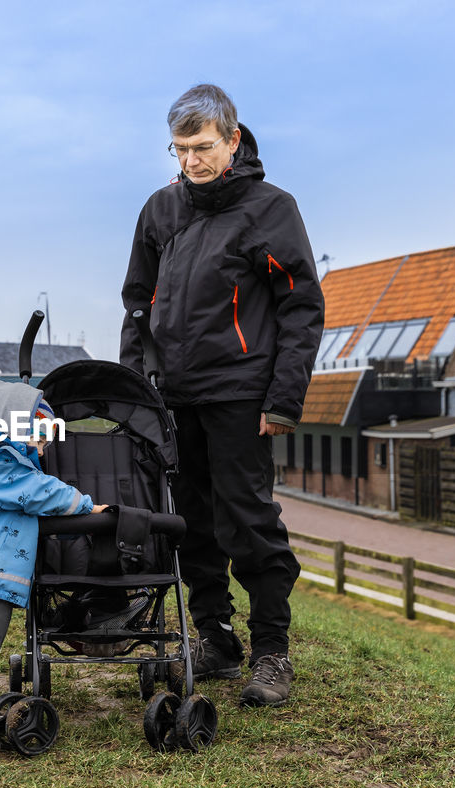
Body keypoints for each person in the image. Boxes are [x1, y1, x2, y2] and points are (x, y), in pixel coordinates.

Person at [120, 84, 324, 707]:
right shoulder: (160, 210)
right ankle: (215, 637)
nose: (191, 162)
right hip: (173, 399)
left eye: (203, 147)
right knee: (190, 525)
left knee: (248, 521)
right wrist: (135, 392)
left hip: (241, 396)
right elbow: (137, 304)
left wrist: (284, 399)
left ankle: (271, 652)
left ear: (233, 140)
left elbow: (301, 307)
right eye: (180, 150)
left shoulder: (271, 210)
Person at [0, 379, 106, 731]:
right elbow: (44, 492)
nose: (42, 450)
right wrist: (88, 506)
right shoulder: (5, 468)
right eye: (39, 437)